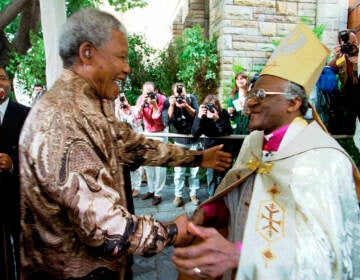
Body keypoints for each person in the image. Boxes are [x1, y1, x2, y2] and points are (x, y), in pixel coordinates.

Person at [18, 9, 232, 280]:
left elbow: (133, 145)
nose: (127, 68)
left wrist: (198, 159)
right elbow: (107, 229)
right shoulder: (65, 118)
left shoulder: (91, 104)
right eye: (120, 57)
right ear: (88, 53)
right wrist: (174, 231)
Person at [172, 23, 360, 280]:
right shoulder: (255, 142)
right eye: (251, 93)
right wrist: (214, 210)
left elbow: (326, 258)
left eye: (261, 93)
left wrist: (242, 255)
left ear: (293, 104)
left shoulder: (323, 159)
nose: (250, 102)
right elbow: (243, 192)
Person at [0, 66, 30, 280]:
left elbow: (38, 158)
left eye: (1, 78)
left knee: (24, 253)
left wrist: (13, 163)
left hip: (19, 199)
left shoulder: (26, 114)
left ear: (9, 82)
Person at [162, 82, 200, 207]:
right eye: (177, 92)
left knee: (194, 171)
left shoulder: (191, 98)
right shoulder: (168, 102)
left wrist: (186, 105)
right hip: (179, 141)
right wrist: (172, 106)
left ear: (185, 91)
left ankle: (193, 194)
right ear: (173, 93)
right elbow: (166, 121)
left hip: (193, 140)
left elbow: (197, 116)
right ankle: (178, 196)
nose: (180, 95)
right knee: (179, 172)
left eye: (182, 92)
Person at [192, 94, 233, 197]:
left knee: (224, 175)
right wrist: (199, 117)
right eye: (209, 106)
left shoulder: (222, 113)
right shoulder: (202, 115)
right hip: (210, 151)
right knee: (211, 177)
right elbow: (195, 134)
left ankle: (224, 197)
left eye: (214, 106)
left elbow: (227, 131)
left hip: (224, 149)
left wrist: (217, 119)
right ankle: (212, 197)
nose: (212, 108)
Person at [135, 81, 168, 206]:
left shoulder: (163, 100)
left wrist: (154, 105)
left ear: (155, 91)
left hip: (160, 132)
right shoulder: (141, 99)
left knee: (160, 164)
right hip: (148, 131)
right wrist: (142, 104)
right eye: (145, 92)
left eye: (150, 92)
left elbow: (158, 120)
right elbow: (137, 116)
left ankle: (158, 193)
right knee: (148, 163)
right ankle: (151, 189)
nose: (147, 94)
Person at [328, 29, 359, 134]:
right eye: (348, 43)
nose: (353, 45)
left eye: (355, 42)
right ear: (341, 44)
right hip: (346, 92)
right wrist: (335, 57)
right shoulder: (341, 58)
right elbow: (329, 71)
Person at [114, 93, 143, 198]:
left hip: (135, 141)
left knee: (137, 167)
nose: (122, 101)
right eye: (119, 100)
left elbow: (137, 123)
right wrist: (117, 111)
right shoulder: (117, 113)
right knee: (127, 166)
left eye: (123, 99)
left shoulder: (134, 109)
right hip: (123, 144)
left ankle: (137, 187)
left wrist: (129, 111)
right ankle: (129, 187)